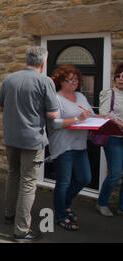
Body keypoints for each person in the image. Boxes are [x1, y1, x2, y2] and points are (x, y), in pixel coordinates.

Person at [0, 46, 59, 242]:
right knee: (28, 182)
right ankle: (21, 230)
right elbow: (53, 114)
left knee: (13, 174)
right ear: (43, 62)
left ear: (26, 59)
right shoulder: (45, 81)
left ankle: (9, 213)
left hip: (11, 137)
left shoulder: (10, 79)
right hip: (32, 139)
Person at [48, 65, 109, 230]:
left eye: (76, 80)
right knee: (64, 182)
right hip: (63, 146)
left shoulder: (80, 96)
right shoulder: (55, 99)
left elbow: (88, 114)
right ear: (61, 81)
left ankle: (65, 205)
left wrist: (101, 117)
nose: (74, 83)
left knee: (84, 178)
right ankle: (61, 216)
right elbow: (54, 123)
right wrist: (76, 119)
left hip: (79, 145)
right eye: (70, 80)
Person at [97, 62, 123, 217]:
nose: (120, 79)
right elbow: (105, 115)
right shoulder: (109, 93)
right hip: (114, 139)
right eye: (118, 76)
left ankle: (121, 207)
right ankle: (102, 203)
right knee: (115, 173)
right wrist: (120, 123)